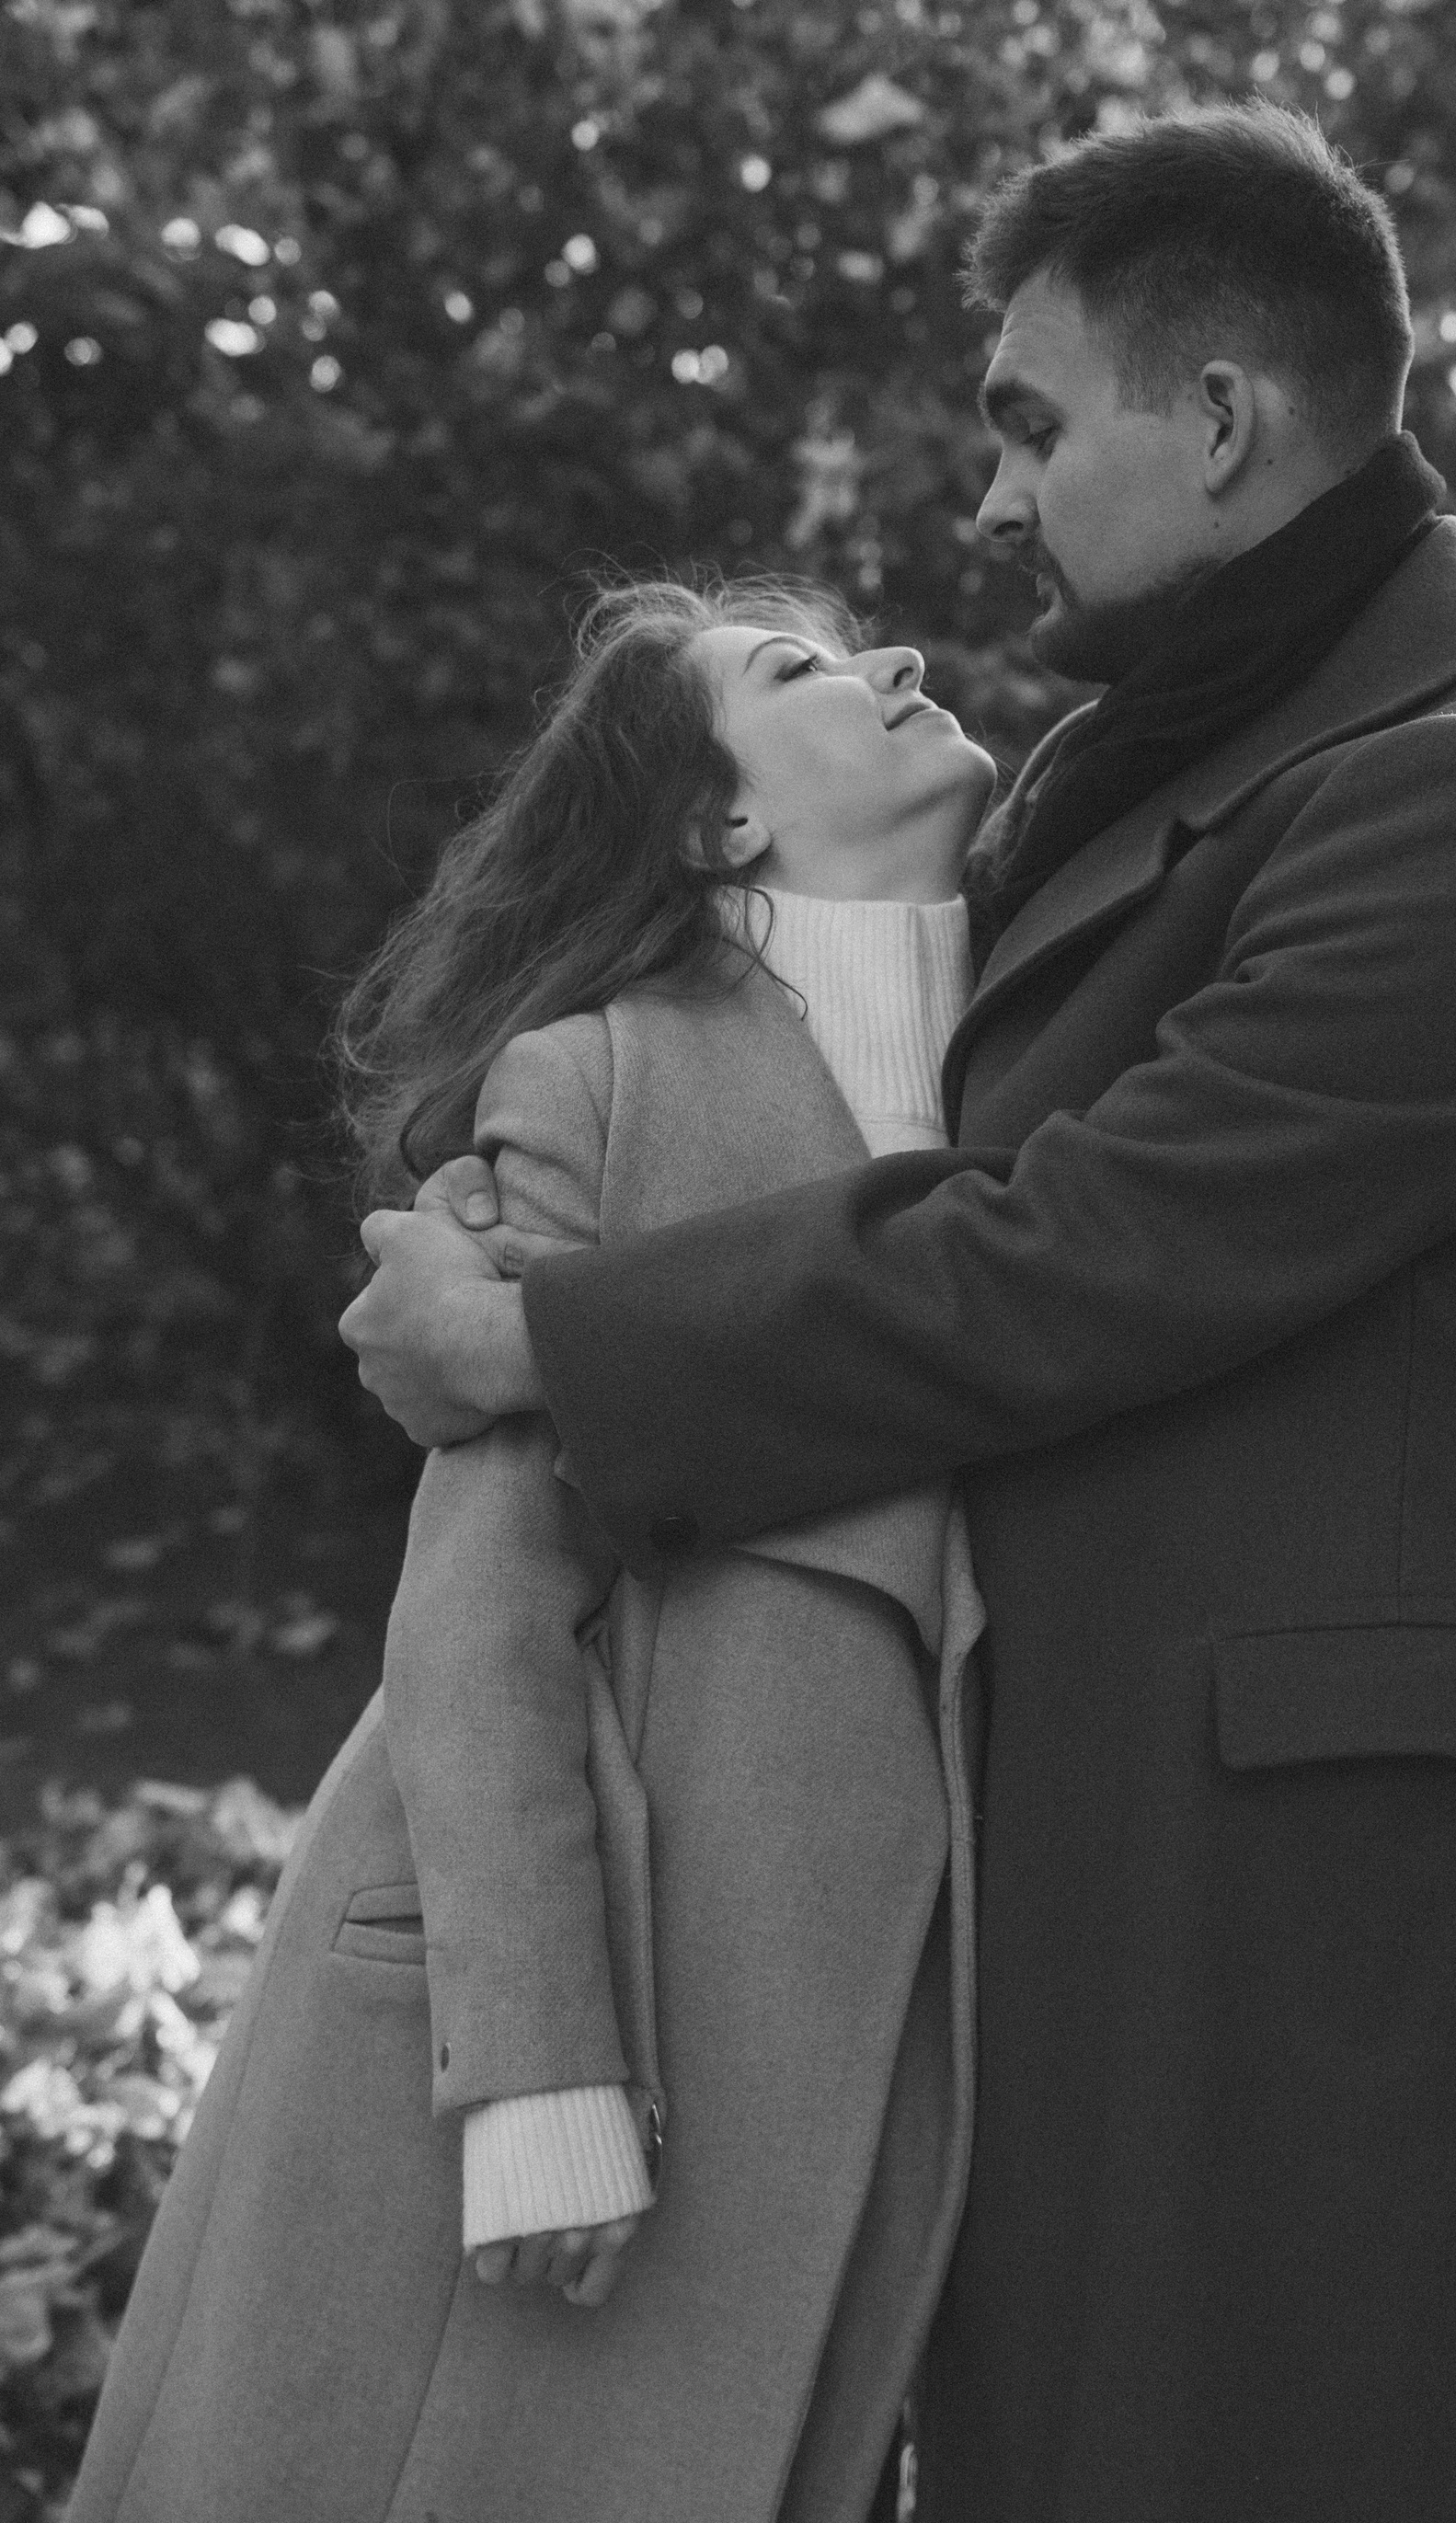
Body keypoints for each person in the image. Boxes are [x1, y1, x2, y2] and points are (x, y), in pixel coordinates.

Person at [342, 100, 1456, 2522]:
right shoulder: (1171, 764)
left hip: (1354, 1893)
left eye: (1032, 427)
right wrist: (544, 1155)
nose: (988, 506)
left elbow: (1084, 1245)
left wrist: (545, 1342)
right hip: (1118, 1843)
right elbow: (857, 1095)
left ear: (1220, 420)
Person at [66, 576, 994, 2523]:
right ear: (718, 821)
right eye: (804, 672)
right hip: (600, 2019)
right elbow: (484, 1603)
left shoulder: (1042, 1090)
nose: (902, 664)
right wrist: (540, 2066)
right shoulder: (601, 1071)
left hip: (858, 2041)